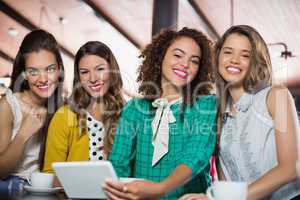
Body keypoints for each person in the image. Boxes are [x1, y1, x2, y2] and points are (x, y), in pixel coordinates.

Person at [180, 25, 300, 200]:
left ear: (255, 61)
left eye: (245, 55)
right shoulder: (218, 115)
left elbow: (291, 167)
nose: (234, 60)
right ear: (218, 57)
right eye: (228, 52)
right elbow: (225, 181)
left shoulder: (277, 95)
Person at [102, 27, 217, 199]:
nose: (185, 64)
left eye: (194, 61)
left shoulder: (205, 105)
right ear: (161, 56)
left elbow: (194, 157)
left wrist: (159, 188)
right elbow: (119, 163)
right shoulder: (134, 109)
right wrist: (119, 191)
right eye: (178, 55)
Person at [43, 41, 125, 185]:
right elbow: (50, 174)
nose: (93, 79)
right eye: (85, 72)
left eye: (100, 69)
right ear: (78, 77)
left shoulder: (127, 114)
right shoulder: (64, 116)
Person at [0, 29, 64, 198]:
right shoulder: (8, 105)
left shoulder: (64, 108)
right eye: (33, 71)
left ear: (59, 70)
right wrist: (23, 134)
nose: (43, 79)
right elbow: (1, 172)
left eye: (50, 69)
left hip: (49, 191)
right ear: (24, 75)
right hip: (12, 189)